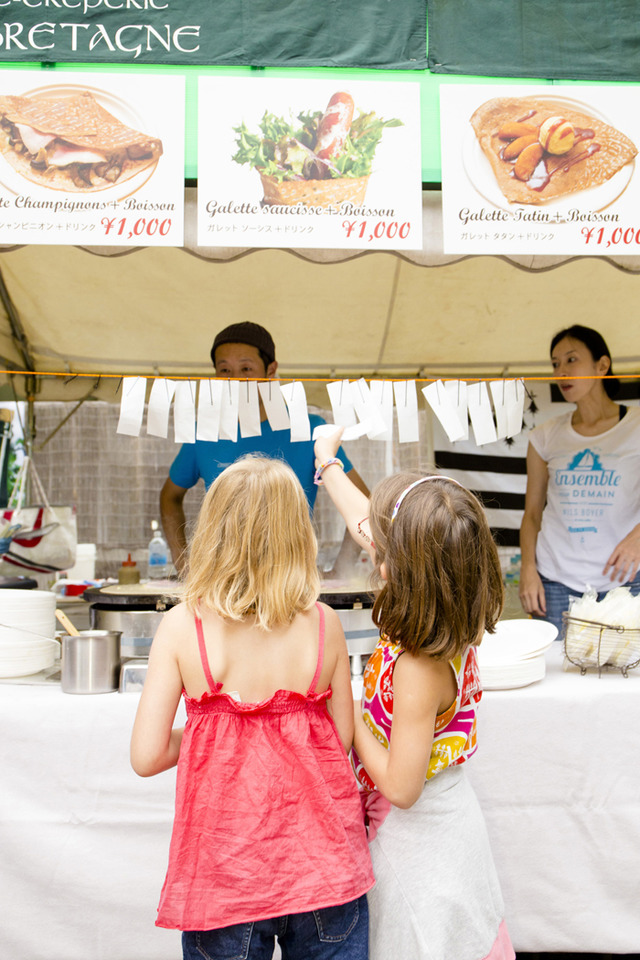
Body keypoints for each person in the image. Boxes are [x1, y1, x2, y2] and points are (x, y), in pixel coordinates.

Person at [132, 455, 374, 960]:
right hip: (323, 868)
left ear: (214, 530)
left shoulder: (182, 626)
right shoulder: (324, 623)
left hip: (227, 876)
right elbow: (341, 738)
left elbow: (147, 755)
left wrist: (211, 726)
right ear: (297, 533)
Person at [312, 431, 515, 960]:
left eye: (382, 551)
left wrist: (350, 711)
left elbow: (402, 787)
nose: (372, 552)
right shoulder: (445, 613)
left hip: (421, 844)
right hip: (437, 827)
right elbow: (367, 524)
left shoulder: (420, 665)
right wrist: (327, 463)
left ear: (397, 566)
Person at [160, 321, 369, 575]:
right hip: (221, 584)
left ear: (271, 370)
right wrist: (184, 566)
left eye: (246, 368)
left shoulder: (309, 429)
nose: (235, 379)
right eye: (224, 370)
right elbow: (169, 497)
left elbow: (364, 504)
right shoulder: (203, 431)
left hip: (291, 583)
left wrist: (341, 571)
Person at [519, 324, 640, 634]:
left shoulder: (637, 425)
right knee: (560, 675)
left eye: (571, 360)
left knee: (628, 673)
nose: (561, 372)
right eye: (555, 364)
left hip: (628, 578)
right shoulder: (544, 437)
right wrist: (528, 570)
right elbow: (532, 515)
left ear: (602, 365)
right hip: (556, 581)